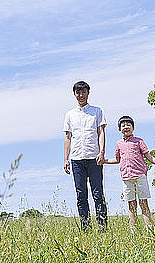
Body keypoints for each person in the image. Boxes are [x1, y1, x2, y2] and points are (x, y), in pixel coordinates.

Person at [104, 115, 155, 231]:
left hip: (140, 176)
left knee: (143, 203)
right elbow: (117, 159)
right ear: (119, 129)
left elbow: (149, 157)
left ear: (133, 128)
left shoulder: (139, 141)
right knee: (131, 204)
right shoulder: (119, 143)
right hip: (126, 177)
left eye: (128, 125)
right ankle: (133, 229)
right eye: (123, 125)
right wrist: (104, 161)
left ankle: (150, 228)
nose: (126, 127)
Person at [63, 80, 107, 231]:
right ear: (74, 94)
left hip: (94, 157)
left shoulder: (97, 111)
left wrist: (102, 152)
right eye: (78, 92)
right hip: (76, 159)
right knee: (81, 194)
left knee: (97, 193)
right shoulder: (70, 114)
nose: (81, 95)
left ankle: (102, 227)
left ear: (88, 93)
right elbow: (68, 137)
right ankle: (85, 227)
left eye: (83, 92)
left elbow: (101, 133)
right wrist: (66, 159)